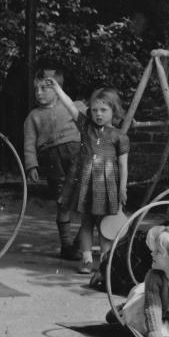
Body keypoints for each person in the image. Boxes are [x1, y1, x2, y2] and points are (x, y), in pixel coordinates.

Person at [49, 80, 130, 274]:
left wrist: (122, 188)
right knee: (86, 222)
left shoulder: (120, 137)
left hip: (108, 187)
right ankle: (86, 258)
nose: (98, 114)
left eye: (103, 110)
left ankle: (104, 261)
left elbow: (123, 165)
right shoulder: (85, 127)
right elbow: (70, 105)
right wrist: (57, 89)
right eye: (94, 110)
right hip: (86, 185)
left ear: (114, 111)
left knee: (105, 224)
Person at [23, 68, 85, 260]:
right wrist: (31, 165)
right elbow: (29, 143)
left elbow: (99, 118)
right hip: (52, 160)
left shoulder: (73, 106)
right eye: (36, 89)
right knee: (62, 201)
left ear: (58, 88)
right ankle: (66, 246)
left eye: (45, 88)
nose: (39, 93)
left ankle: (80, 242)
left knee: (87, 199)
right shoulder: (33, 116)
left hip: (77, 156)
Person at [107, 225, 169, 337]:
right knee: (138, 321)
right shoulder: (154, 277)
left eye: (158, 252)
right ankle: (121, 310)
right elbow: (153, 307)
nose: (152, 254)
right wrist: (156, 336)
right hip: (148, 304)